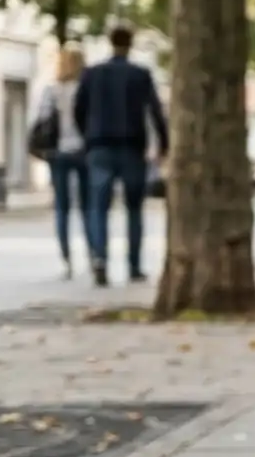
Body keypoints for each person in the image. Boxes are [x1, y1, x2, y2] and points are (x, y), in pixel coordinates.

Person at [73, 26, 167, 287]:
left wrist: (88, 135)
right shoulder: (140, 74)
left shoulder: (92, 74)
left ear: (109, 42)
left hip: (99, 146)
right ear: (131, 43)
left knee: (98, 206)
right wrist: (163, 144)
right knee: (134, 208)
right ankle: (134, 265)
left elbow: (79, 108)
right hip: (131, 146)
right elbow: (156, 110)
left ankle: (100, 258)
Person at [32, 46, 90, 279]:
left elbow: (42, 120)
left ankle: (67, 259)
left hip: (58, 153)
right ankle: (94, 253)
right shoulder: (85, 90)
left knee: (62, 207)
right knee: (88, 206)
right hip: (83, 152)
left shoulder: (52, 90)